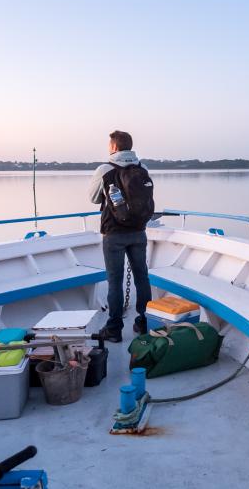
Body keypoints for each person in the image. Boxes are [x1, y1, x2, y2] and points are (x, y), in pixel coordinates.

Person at [88, 130, 155, 343]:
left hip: (114, 233)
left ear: (114, 147)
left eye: (110, 144)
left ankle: (114, 329)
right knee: (142, 277)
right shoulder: (142, 168)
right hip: (138, 231)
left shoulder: (104, 169)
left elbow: (93, 198)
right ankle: (144, 322)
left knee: (114, 281)